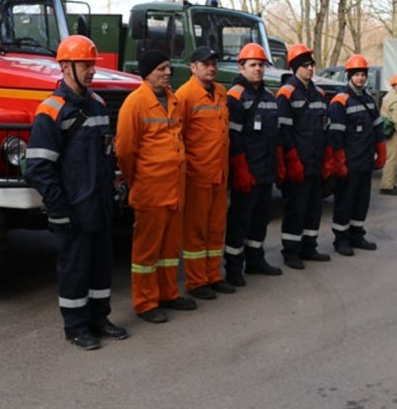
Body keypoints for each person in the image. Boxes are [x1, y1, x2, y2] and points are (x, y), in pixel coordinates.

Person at [26, 35, 128, 350]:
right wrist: (58, 208)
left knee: (100, 266)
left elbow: (102, 155)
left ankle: (99, 318)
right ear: (66, 67)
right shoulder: (51, 110)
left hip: (98, 204)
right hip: (72, 207)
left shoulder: (96, 104)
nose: (91, 71)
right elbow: (39, 167)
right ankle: (75, 327)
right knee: (74, 270)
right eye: (85, 64)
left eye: (92, 64)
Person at [116, 50, 194, 324]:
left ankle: (167, 293)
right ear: (147, 72)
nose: (168, 72)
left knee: (170, 249)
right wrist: (137, 179)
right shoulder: (135, 103)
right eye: (162, 68)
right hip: (150, 190)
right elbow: (125, 151)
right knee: (146, 251)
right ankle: (145, 302)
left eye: (169, 67)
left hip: (174, 189)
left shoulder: (173, 100)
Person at [175, 46, 236, 300]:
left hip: (219, 173)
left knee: (215, 228)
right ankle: (197, 280)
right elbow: (178, 137)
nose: (211, 67)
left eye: (213, 63)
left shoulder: (220, 92)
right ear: (193, 67)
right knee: (196, 231)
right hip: (197, 174)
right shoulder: (185, 95)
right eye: (205, 63)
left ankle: (214, 275)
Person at [225, 43, 283, 284]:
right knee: (240, 221)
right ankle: (234, 268)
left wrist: (279, 164)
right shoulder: (235, 96)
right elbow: (233, 138)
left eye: (261, 65)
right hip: (247, 172)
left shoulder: (269, 96)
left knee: (261, 219)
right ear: (242, 67)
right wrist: (240, 171)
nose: (258, 69)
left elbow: (275, 135)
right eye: (253, 65)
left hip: (265, 171)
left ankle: (256, 260)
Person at [276, 43, 332, 270]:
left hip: (315, 161)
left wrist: (327, 157)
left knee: (312, 207)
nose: (310, 69)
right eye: (306, 66)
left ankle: (309, 246)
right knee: (295, 209)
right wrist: (291, 159)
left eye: (312, 65)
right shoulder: (286, 94)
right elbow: (284, 132)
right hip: (298, 161)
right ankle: (291, 252)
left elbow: (324, 127)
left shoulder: (318, 94)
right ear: (295, 68)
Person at [327, 54, 385, 256]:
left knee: (361, 201)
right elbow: (336, 134)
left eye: (363, 74)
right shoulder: (340, 101)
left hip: (365, 160)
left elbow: (378, 126)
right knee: (345, 201)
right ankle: (341, 239)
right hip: (349, 162)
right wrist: (339, 160)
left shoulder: (369, 100)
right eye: (357, 74)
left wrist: (381, 149)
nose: (360, 78)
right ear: (349, 76)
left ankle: (357, 235)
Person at [379, 74, 397, 196]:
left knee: (388, 158)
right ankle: (387, 186)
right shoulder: (396, 99)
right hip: (393, 133)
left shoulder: (387, 96)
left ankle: (388, 182)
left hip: (386, 131)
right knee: (392, 159)